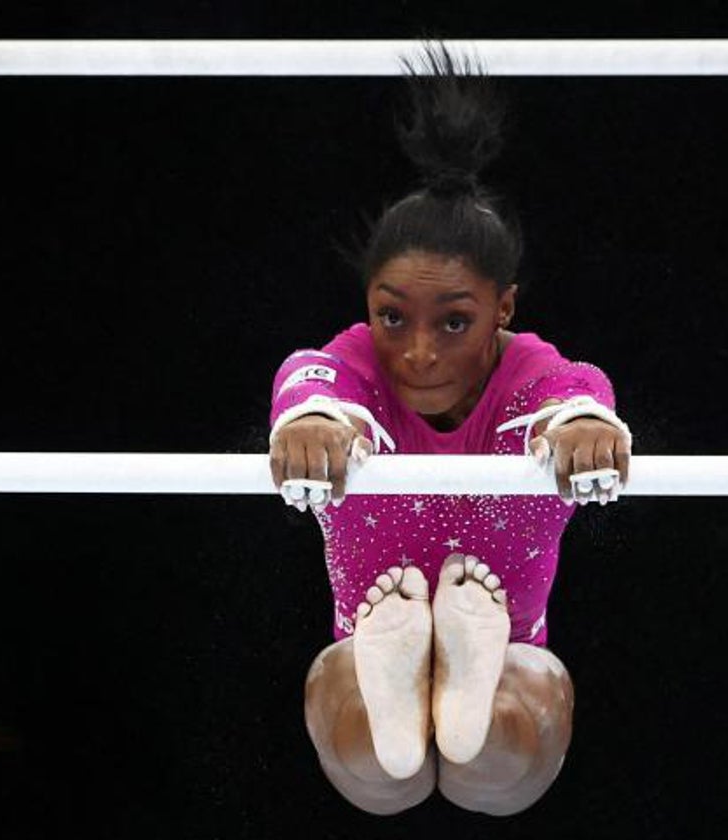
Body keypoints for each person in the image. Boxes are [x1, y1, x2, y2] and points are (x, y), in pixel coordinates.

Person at [267, 45, 631, 816]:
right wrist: (309, 424)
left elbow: (574, 393)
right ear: (367, 305)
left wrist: (585, 429)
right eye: (392, 316)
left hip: (499, 654)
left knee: (464, 771)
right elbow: (311, 382)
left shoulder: (531, 371)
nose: (418, 351)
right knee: (402, 772)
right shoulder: (353, 363)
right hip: (386, 662)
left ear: (503, 310)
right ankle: (417, 702)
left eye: (454, 321)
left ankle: (459, 697)